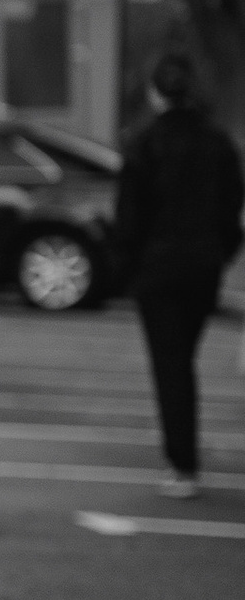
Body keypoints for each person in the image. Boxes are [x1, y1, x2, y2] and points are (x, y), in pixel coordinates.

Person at [112, 51, 243, 496]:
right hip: (203, 267)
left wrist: (129, 265)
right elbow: (232, 211)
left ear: (154, 93)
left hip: (159, 270)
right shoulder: (218, 143)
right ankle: (183, 458)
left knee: (171, 366)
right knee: (183, 360)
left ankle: (182, 464)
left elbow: (128, 217)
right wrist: (221, 254)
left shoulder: (145, 144)